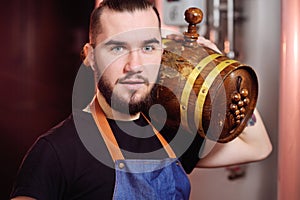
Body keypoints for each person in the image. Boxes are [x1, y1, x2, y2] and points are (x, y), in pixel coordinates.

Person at [10, 0, 272, 199]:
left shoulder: (170, 132)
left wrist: (221, 72)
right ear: (90, 56)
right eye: (118, 48)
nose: (134, 65)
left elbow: (258, 146)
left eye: (148, 47)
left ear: (162, 51)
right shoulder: (55, 152)